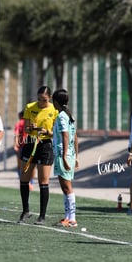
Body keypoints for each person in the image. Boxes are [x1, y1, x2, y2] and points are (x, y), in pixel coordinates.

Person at [18, 86, 58, 225]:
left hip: (45, 145)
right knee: (24, 177)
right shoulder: (30, 107)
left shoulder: (54, 110)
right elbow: (26, 128)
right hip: (30, 143)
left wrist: (47, 132)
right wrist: (32, 128)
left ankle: (42, 215)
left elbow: (56, 132)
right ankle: (25, 211)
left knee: (43, 180)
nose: (41, 102)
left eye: (44, 100)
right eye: (39, 99)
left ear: (50, 98)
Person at [51, 89, 79, 228]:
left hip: (64, 154)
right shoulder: (68, 115)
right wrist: (76, 156)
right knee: (65, 187)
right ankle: (68, 216)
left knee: (67, 187)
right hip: (69, 154)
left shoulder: (62, 116)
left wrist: (64, 156)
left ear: (56, 102)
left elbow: (66, 135)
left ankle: (72, 218)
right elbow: (75, 136)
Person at [14, 111, 35, 191]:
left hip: (23, 146)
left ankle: (26, 182)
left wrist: (15, 144)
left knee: (20, 166)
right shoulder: (32, 123)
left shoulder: (20, 123)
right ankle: (31, 182)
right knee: (32, 166)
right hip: (31, 145)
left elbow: (16, 134)